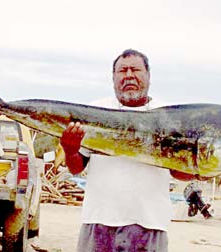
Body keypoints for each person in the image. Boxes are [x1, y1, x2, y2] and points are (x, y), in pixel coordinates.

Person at [60, 49, 196, 252]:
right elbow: (76, 168)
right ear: (113, 77)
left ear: (148, 76)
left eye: (136, 70)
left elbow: (179, 172)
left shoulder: (169, 117)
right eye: (122, 70)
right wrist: (70, 150)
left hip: (149, 225)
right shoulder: (94, 111)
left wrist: (200, 169)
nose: (129, 75)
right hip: (98, 221)